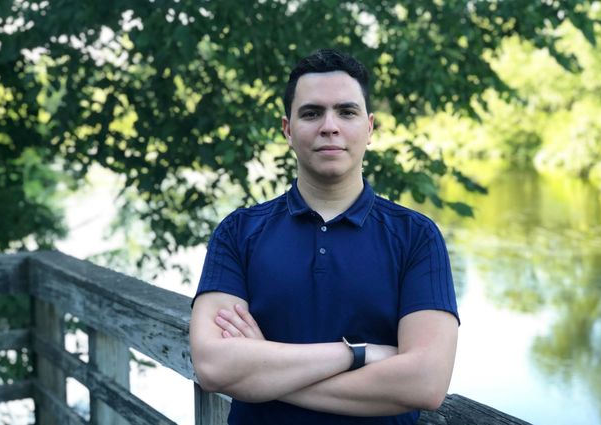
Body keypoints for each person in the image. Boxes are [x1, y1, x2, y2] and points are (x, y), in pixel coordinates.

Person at [189, 49, 459, 425]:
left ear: (369, 127)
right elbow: (215, 366)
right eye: (312, 113)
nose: (329, 126)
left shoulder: (416, 237)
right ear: (287, 129)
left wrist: (263, 371)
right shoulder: (238, 232)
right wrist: (359, 354)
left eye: (346, 112)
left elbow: (425, 383)